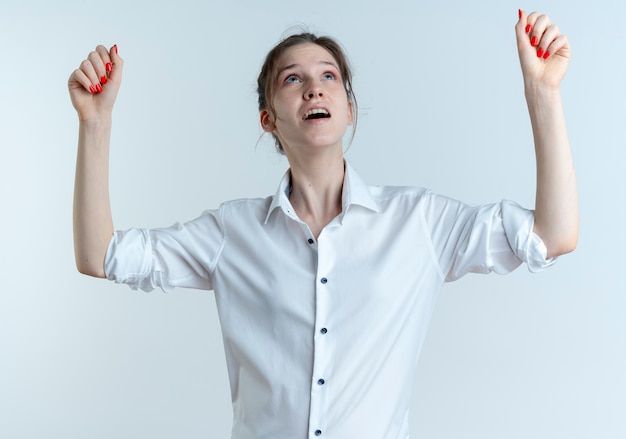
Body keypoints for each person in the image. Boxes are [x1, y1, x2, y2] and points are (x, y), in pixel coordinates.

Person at [68, 9, 578, 439]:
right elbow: (102, 256)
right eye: (293, 78)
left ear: (349, 109)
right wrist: (95, 122)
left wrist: (543, 92)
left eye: (329, 76)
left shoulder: (419, 222)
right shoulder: (231, 232)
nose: (314, 88)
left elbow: (552, 236)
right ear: (268, 118)